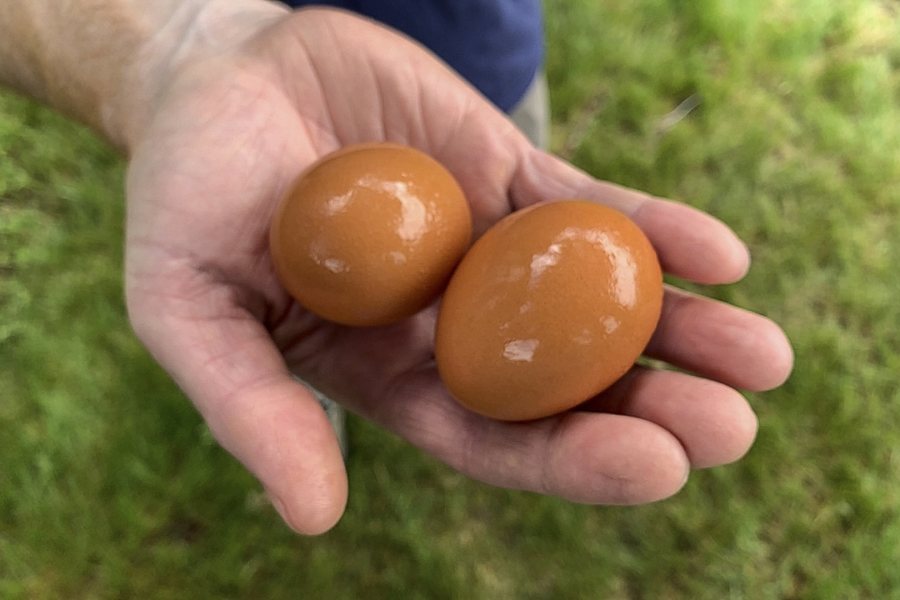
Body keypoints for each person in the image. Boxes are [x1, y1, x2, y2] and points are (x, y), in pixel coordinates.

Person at [0, 0, 793, 536]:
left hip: (479, 56)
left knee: (519, 189)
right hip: (269, 67)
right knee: (334, 288)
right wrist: (172, 50)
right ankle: (313, 369)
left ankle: (329, 358)